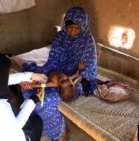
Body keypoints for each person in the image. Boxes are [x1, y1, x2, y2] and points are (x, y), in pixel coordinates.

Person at [22, 6, 97, 141]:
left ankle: (62, 134)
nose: (73, 31)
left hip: (77, 81)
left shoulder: (87, 42)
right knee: (27, 84)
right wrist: (49, 77)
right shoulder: (60, 36)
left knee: (44, 101)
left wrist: (69, 82)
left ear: (84, 27)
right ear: (65, 24)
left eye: (77, 28)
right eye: (70, 27)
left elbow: (86, 72)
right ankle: (35, 119)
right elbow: (53, 61)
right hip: (58, 73)